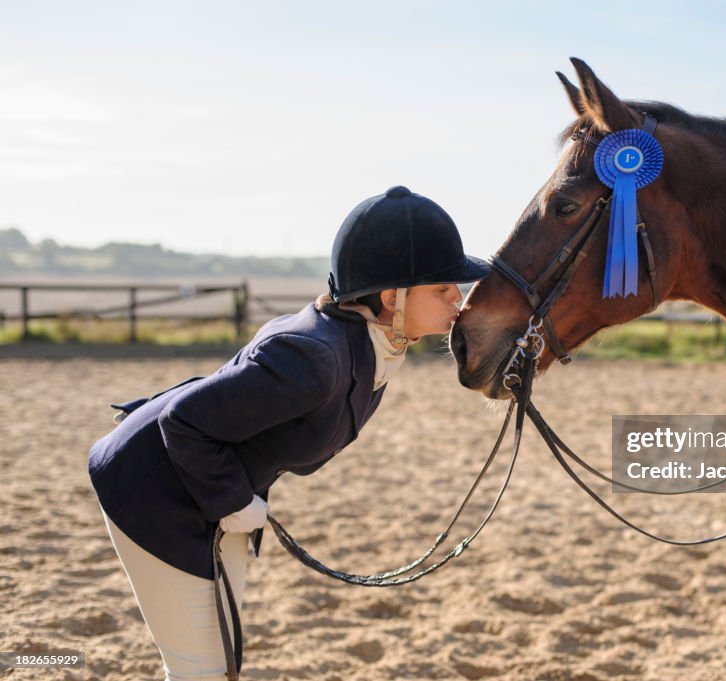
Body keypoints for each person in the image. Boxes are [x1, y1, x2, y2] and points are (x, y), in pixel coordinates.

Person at [87, 186, 490, 680]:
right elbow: (184, 422)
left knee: (223, 660)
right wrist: (235, 501)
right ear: (392, 298)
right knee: (200, 670)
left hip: (212, 491)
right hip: (152, 489)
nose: (459, 299)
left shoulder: (373, 341)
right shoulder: (315, 357)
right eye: (444, 290)